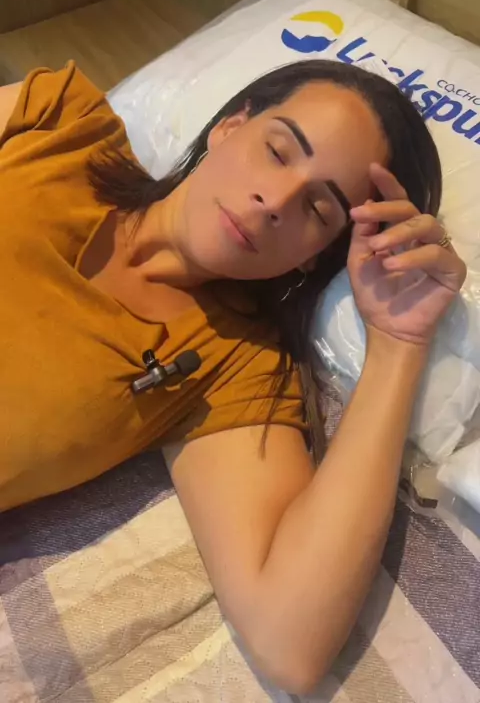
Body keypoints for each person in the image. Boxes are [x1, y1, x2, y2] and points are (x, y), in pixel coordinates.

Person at [0, 59, 466, 693]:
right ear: (228, 127)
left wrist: (399, 342)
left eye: (319, 209)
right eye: (277, 151)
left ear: (316, 258)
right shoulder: (63, 121)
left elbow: (289, 639)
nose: (274, 201)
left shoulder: (229, 363)